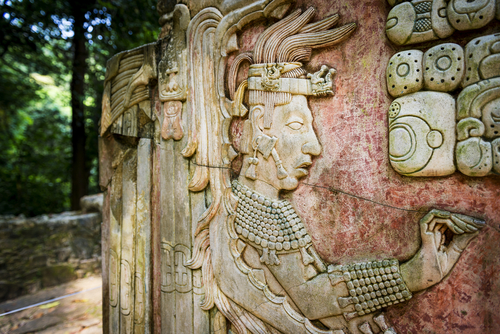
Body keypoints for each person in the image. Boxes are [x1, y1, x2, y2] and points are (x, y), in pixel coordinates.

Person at [186, 7, 485, 334]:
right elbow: (312, 298)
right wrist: (412, 274)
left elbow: (314, 292)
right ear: (260, 124)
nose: (314, 146)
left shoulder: (268, 209)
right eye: (298, 125)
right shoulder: (247, 213)